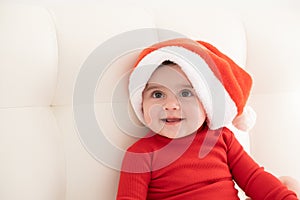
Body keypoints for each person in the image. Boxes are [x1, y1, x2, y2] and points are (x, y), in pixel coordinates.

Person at [116, 38, 298, 199]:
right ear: (141, 103)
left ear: (207, 103)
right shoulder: (140, 154)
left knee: (287, 185)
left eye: (185, 93)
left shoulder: (221, 138)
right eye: (157, 94)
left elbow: (253, 178)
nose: (170, 105)